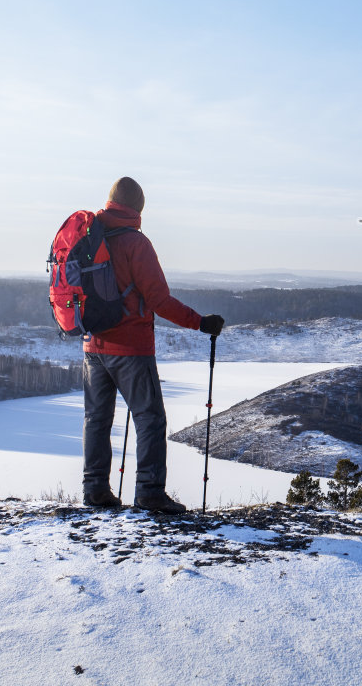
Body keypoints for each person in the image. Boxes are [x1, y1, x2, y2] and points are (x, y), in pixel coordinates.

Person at [81, 177, 224, 513]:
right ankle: (149, 492)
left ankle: (95, 490)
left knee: (96, 420)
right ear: (138, 209)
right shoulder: (136, 243)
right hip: (130, 348)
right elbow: (159, 300)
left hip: (92, 346)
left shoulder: (89, 237)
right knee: (150, 419)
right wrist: (200, 322)